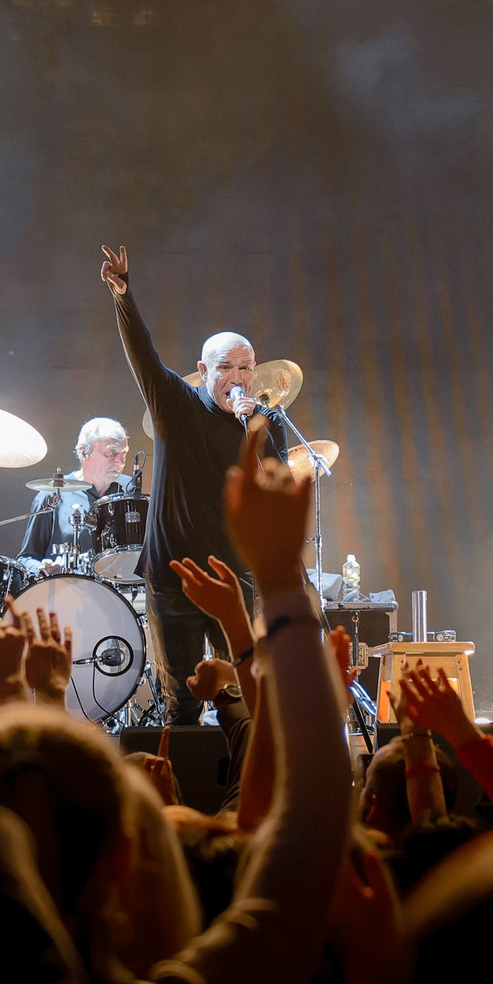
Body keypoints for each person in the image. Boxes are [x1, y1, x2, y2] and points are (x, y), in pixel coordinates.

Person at [98, 244, 286, 725]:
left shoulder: (265, 423)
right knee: (181, 705)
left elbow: (278, 491)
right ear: (203, 372)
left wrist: (255, 426)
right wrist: (123, 295)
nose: (237, 378)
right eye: (225, 368)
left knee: (242, 702)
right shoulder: (175, 405)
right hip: (172, 579)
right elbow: (143, 354)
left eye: (245, 367)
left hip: (235, 581)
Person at [19, 416, 132, 562]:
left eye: (124, 453)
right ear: (85, 453)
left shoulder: (130, 490)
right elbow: (26, 559)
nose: (120, 461)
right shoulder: (53, 495)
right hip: (66, 577)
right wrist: (44, 569)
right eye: (111, 453)